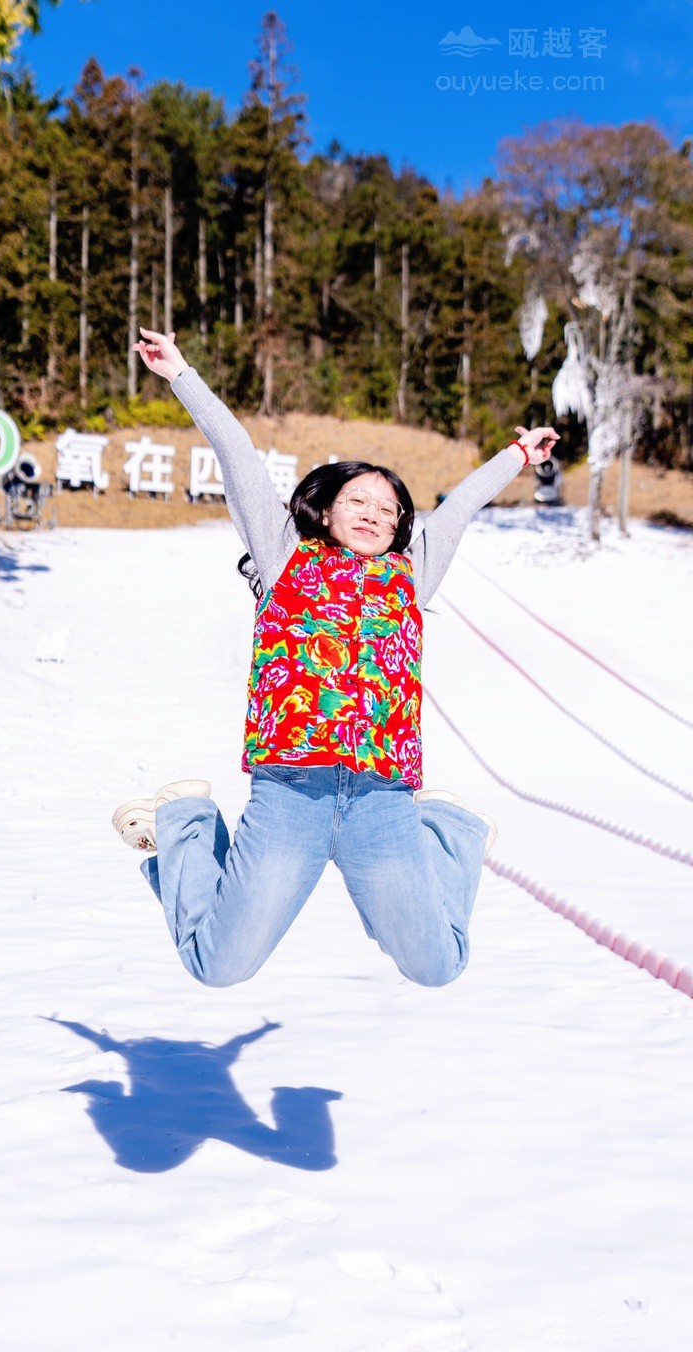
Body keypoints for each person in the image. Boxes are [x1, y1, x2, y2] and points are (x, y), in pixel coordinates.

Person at [112, 328, 560, 990]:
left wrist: (517, 454)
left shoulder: (412, 575)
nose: (377, 514)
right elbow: (236, 455)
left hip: (383, 801)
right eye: (360, 500)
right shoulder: (286, 556)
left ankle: (448, 830)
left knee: (439, 966)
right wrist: (181, 374)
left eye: (389, 508)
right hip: (291, 793)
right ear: (324, 509)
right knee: (216, 966)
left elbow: (459, 508)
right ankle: (183, 826)